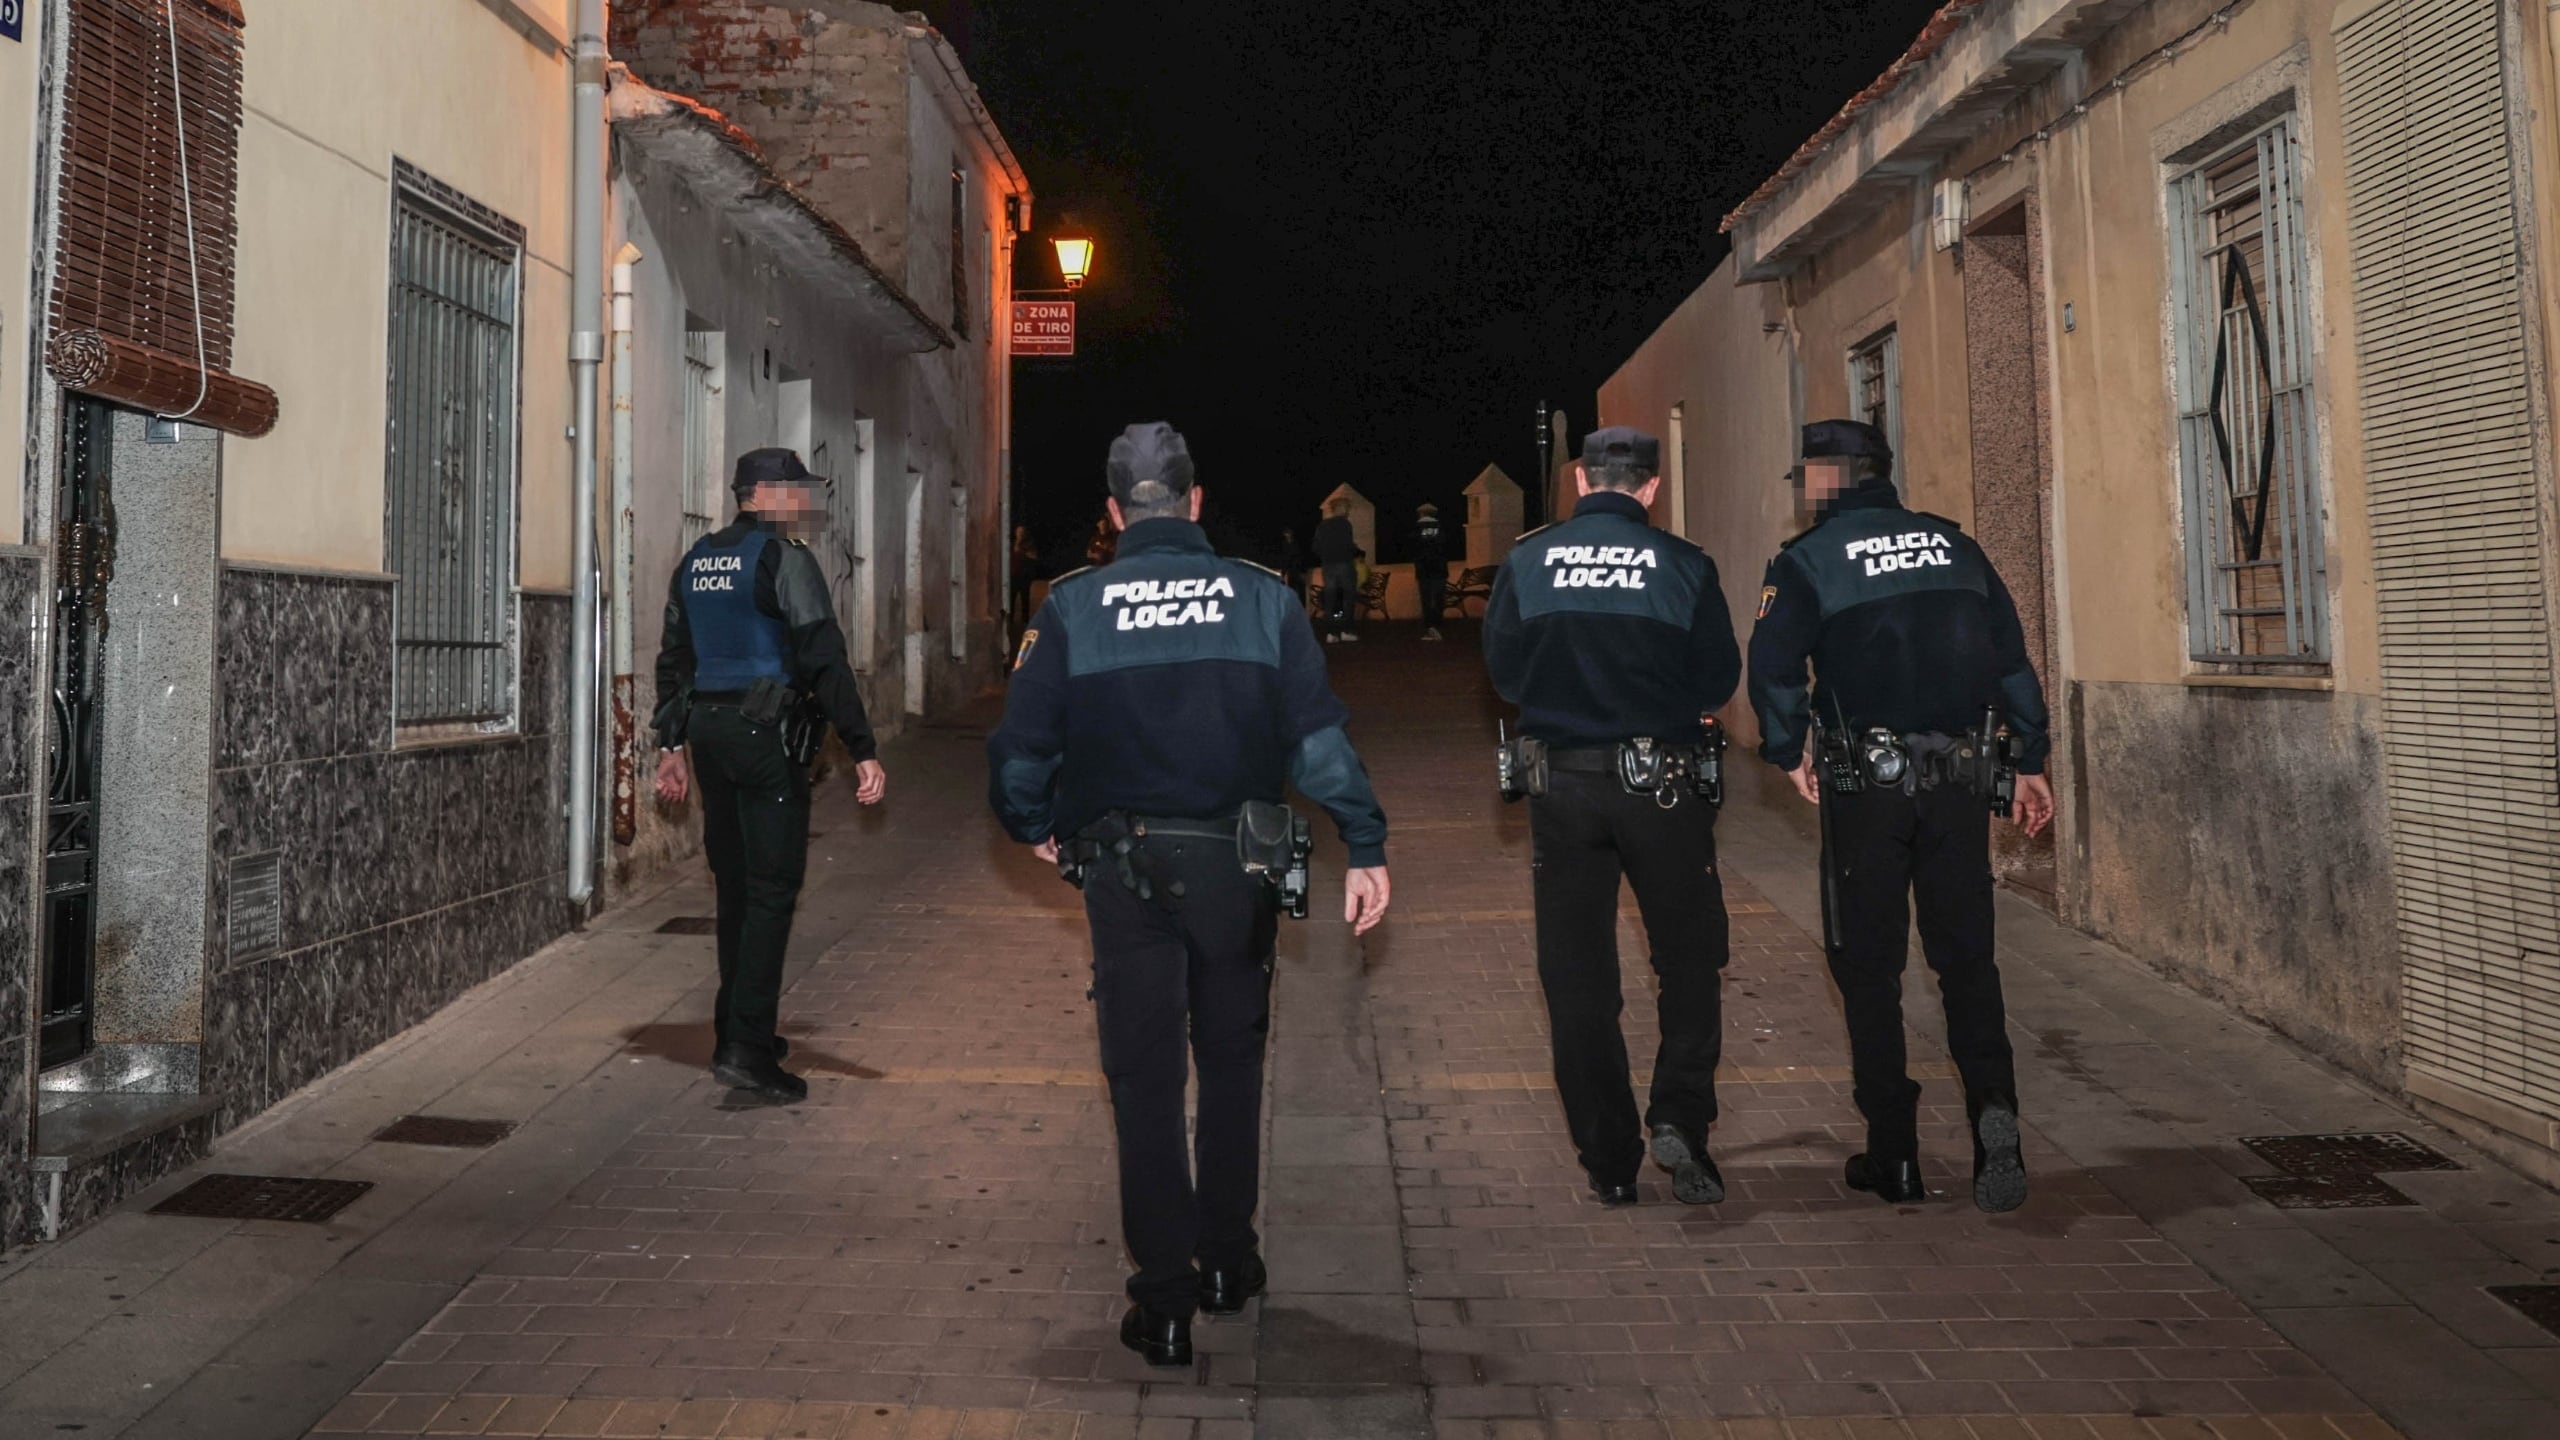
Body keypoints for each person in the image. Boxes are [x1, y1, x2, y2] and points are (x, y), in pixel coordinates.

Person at [989, 422, 1391, 1370]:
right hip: (1236, 870)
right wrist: (1363, 840)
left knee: (1143, 1080)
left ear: (1115, 511)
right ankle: (1226, 1263)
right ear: (1196, 502)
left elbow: (1021, 746)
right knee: (1232, 1062)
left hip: (1123, 872)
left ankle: (1163, 1302)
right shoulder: (1263, 598)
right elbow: (1316, 741)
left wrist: (1033, 823)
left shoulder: (1074, 605)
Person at [1746, 419, 2055, 1214]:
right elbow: (2010, 658)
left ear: (1826, 478)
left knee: (1869, 968)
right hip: (1958, 779)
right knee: (1966, 960)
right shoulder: (1955, 548)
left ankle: (1896, 1154)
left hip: (1868, 788)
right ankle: (1996, 1117)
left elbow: (1773, 664)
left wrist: (1788, 751)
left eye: (1805, 478)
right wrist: (2030, 758)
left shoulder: (1808, 562)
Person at [1482, 426, 1742, 1208]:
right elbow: (1718, 676)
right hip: (1663, 786)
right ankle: (1682, 1121)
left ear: (1578, 479)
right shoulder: (1685, 566)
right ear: (1653, 487)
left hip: (1563, 790)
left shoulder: (1528, 560)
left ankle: (1610, 1159)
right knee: (1689, 959)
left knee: (1577, 976)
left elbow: (1503, 672)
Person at [653, 447, 889, 1104]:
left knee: (734, 884)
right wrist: (863, 745)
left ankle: (738, 1023)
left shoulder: (698, 559)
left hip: (708, 734)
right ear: (769, 494)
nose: (808, 504)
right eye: (800, 492)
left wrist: (670, 742)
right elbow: (823, 658)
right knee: (771, 890)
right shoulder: (785, 560)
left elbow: (675, 657)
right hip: (763, 737)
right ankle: (748, 1052)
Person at [1311, 499, 1359, 643]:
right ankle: (1346, 631)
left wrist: (1326, 555)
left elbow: (1315, 547)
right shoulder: (1345, 525)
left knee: (1330, 599)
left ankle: (1331, 633)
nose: (1348, 511)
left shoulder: (1322, 526)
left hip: (1328, 565)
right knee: (1348, 598)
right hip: (1344, 564)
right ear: (1341, 508)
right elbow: (1349, 546)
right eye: (1347, 508)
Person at [1413, 501, 1449, 641]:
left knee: (1426, 598)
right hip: (1439, 568)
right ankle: (1438, 623)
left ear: (1421, 514)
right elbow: (1446, 545)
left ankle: (1429, 627)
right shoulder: (1441, 528)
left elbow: (1412, 547)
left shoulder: (1416, 529)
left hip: (1423, 569)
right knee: (1439, 596)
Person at [1009, 524, 1041, 637]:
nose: (1019, 534)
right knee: (1011, 599)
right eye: (1018, 532)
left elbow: (1034, 556)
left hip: (1024, 576)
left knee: (1024, 598)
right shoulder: (1011, 544)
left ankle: (1026, 622)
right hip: (1013, 575)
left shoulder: (1028, 544)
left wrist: (1023, 552)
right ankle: (1010, 622)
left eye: (1021, 532)